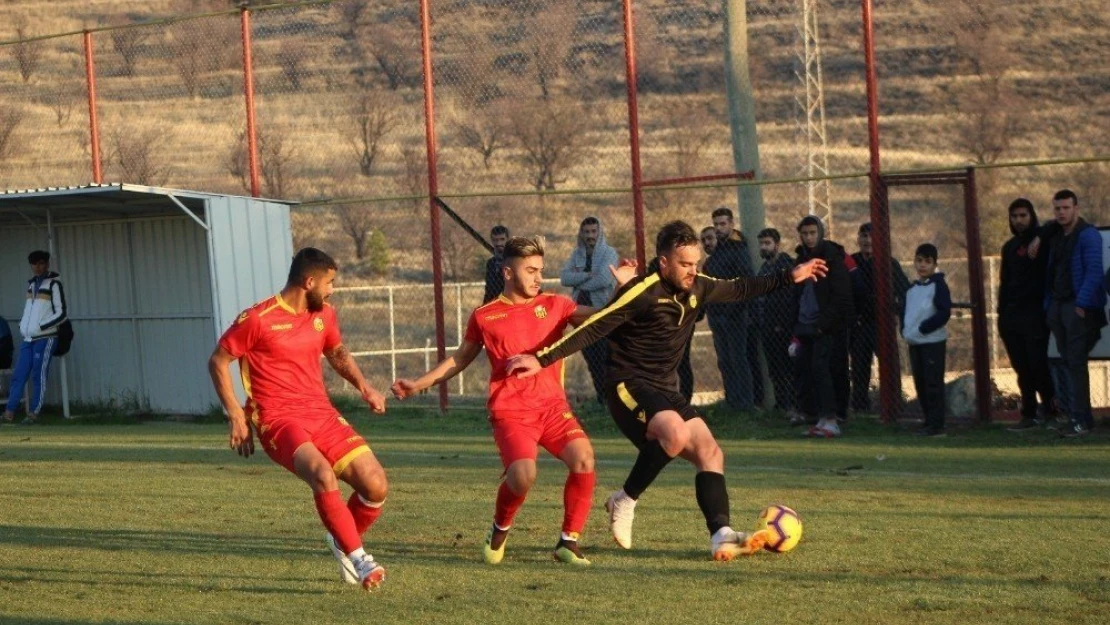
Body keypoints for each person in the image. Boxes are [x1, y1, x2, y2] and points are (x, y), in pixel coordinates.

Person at [505, 221, 828, 560]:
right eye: (684, 264)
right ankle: (624, 500)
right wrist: (541, 359)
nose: (693, 271)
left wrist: (790, 276)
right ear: (663, 262)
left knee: (710, 452)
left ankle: (721, 534)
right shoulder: (642, 291)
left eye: (696, 263)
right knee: (672, 433)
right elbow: (596, 326)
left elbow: (742, 287)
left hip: (664, 389)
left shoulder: (699, 286)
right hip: (627, 384)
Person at [393, 236, 635, 566]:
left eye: (541, 270)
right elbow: (460, 359)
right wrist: (418, 384)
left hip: (552, 408)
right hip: (511, 412)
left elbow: (604, 320)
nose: (538, 278)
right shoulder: (485, 316)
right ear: (508, 272)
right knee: (523, 475)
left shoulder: (556, 305)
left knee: (584, 459)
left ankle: (568, 542)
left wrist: (623, 289)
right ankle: (499, 528)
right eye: (531, 270)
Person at [208, 248, 391, 591]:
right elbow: (218, 361)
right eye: (330, 282)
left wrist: (364, 386)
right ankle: (361, 560)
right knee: (322, 474)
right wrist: (236, 414)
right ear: (309, 282)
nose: (332, 289)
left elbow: (336, 352)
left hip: (320, 412)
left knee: (376, 484)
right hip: (277, 418)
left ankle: (341, 540)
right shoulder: (258, 319)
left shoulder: (325, 315)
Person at [1042, 189, 1105, 437]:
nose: (1061, 212)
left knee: (1076, 363)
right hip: (1058, 305)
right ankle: (1076, 416)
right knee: (1068, 363)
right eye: (1057, 208)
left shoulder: (1087, 235)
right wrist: (1049, 305)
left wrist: (1082, 303)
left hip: (1077, 307)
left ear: (1076, 208)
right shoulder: (1056, 234)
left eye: (1066, 208)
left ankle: (1081, 419)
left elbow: (1094, 271)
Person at [791, 216, 854, 437]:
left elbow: (842, 298)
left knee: (824, 370)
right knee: (808, 370)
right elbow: (796, 294)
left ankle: (831, 419)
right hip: (805, 325)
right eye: (805, 233)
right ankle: (819, 417)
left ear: (820, 233)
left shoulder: (833, 259)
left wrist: (823, 325)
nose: (809, 237)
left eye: (812, 233)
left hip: (825, 327)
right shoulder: (800, 259)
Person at [997, 199, 1055, 431]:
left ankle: (1052, 412)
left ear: (1031, 215)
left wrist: (1039, 237)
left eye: (1023, 215)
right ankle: (1029, 414)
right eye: (1014, 216)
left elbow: (1055, 225)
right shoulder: (1009, 247)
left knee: (1039, 366)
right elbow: (1004, 282)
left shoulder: (1044, 239)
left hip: (1034, 314)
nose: (1019, 221)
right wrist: (1002, 314)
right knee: (1022, 369)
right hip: (1011, 316)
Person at [849, 223, 911, 412]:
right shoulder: (851, 262)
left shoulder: (889, 263)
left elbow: (904, 291)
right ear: (858, 239)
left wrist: (900, 317)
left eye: (871, 236)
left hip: (882, 324)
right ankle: (861, 409)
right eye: (864, 236)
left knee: (890, 367)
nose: (868, 241)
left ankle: (894, 407)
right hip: (858, 325)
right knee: (859, 368)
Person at [3, 251, 68, 425]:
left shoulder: (54, 284)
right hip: (29, 338)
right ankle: (9, 412)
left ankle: (33, 413)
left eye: (41, 263)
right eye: (34, 264)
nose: (38, 267)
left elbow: (62, 313)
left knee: (38, 374)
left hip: (46, 337)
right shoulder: (31, 285)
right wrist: (23, 326)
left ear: (47, 264)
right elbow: (28, 311)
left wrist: (41, 326)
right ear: (31, 266)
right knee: (19, 374)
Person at [560, 216, 620, 404]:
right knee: (591, 359)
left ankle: (613, 401)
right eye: (586, 232)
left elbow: (604, 279)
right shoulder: (577, 254)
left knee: (605, 358)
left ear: (599, 232)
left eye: (593, 232)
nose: (590, 236)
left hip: (601, 312)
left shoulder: (609, 253)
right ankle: (602, 399)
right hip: (580, 316)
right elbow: (564, 278)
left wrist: (581, 283)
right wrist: (587, 275)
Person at [704, 207, 756, 410]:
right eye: (716, 224)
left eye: (722, 224)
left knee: (738, 359)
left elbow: (746, 282)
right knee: (724, 360)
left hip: (734, 314)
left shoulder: (738, 250)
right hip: (717, 313)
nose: (719, 228)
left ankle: (745, 402)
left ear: (732, 224)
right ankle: (732, 400)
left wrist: (734, 310)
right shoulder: (717, 253)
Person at [902, 244, 951, 437]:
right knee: (920, 383)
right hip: (915, 342)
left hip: (932, 342)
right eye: (919, 261)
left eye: (927, 262)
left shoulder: (938, 286)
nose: (922, 265)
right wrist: (905, 330)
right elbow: (905, 313)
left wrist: (925, 327)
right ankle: (928, 420)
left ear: (934, 264)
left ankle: (937, 424)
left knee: (933, 383)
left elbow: (943, 312)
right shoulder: (912, 289)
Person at [753, 228, 796, 412]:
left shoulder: (786, 266)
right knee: (775, 369)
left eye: (767, 243)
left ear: (777, 245)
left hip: (783, 326)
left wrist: (781, 323)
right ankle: (781, 404)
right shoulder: (764, 270)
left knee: (788, 367)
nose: (764, 247)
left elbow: (788, 298)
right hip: (766, 326)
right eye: (761, 244)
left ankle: (794, 404)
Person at [484, 225, 511, 303]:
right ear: (492, 241)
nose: (499, 243)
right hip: (494, 304)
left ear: (508, 240)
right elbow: (488, 290)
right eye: (495, 240)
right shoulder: (490, 263)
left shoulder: (515, 261)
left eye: (502, 239)